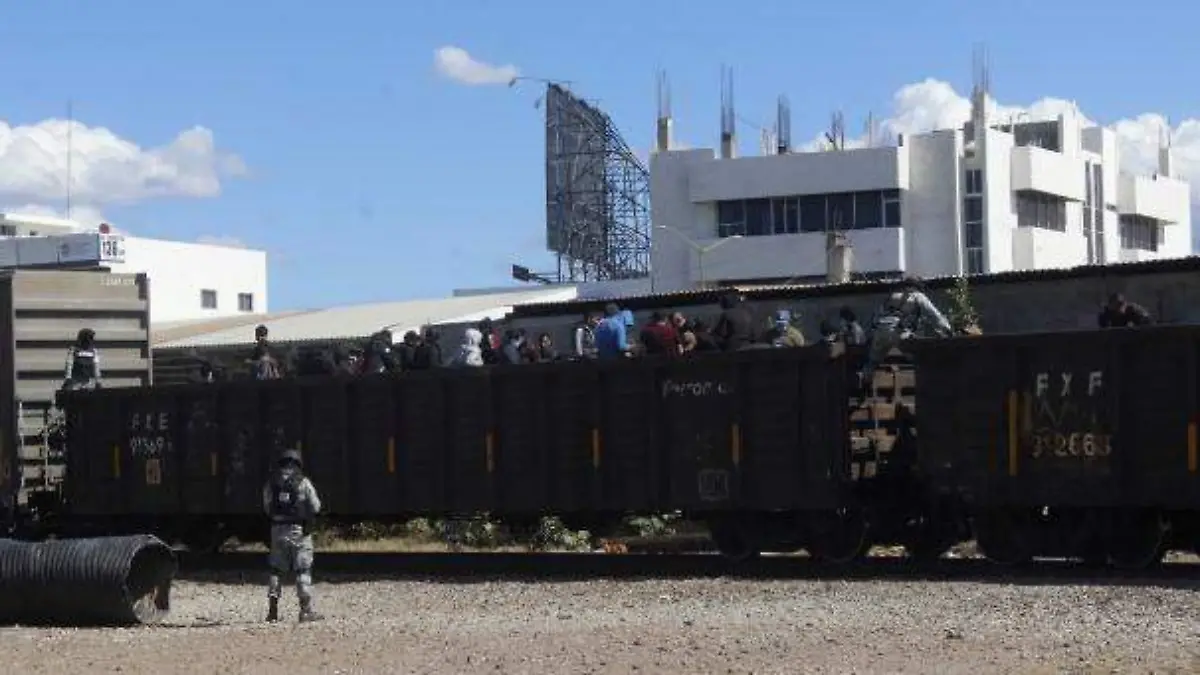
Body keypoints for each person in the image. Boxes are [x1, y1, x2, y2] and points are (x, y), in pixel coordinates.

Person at [263, 448, 323, 623]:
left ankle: (272, 611)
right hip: (298, 531)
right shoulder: (303, 482)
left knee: (276, 569)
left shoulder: (271, 483)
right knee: (302, 569)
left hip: (277, 530)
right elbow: (316, 506)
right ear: (297, 464)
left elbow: (267, 507)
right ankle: (305, 610)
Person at [861, 276, 953, 385]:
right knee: (917, 355)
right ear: (917, 286)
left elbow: (875, 316)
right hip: (898, 332)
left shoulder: (891, 295)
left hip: (879, 332)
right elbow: (934, 315)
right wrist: (948, 329)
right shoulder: (917, 296)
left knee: (872, 361)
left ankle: (864, 382)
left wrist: (870, 335)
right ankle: (926, 383)